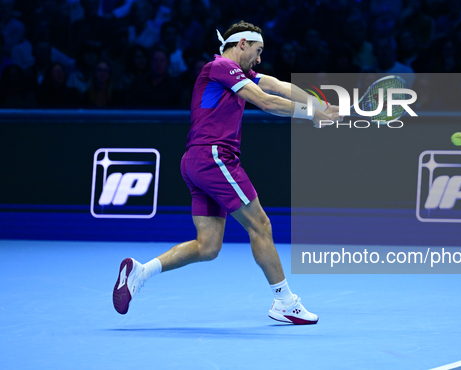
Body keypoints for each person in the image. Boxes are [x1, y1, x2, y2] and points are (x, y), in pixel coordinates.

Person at [112, 21, 338, 324]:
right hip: (214, 157)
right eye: (257, 51)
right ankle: (285, 302)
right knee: (260, 225)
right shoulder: (220, 66)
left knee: (208, 246)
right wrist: (312, 115)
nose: (259, 59)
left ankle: (141, 271)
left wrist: (319, 104)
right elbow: (266, 101)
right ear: (241, 43)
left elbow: (278, 86)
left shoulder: (239, 74)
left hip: (196, 161)